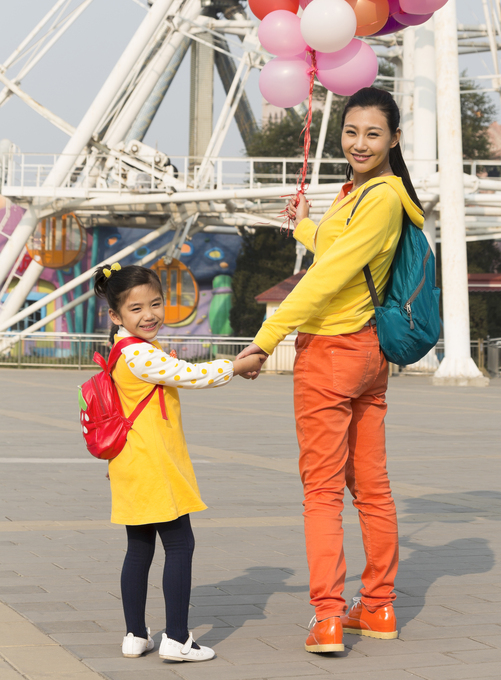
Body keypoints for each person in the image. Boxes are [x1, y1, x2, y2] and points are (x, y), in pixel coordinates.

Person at [235, 86, 425, 654]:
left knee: (322, 491)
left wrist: (266, 340)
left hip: (332, 353)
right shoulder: (368, 195)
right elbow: (341, 248)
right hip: (367, 356)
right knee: (372, 488)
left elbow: (326, 276)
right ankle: (380, 606)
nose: (359, 143)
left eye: (373, 133)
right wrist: (303, 226)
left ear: (395, 138)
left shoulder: (382, 197)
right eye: (351, 131)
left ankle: (327, 616)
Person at [93, 263, 265, 663]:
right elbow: (188, 374)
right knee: (180, 544)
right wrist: (236, 367)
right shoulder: (137, 353)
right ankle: (176, 639)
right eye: (136, 309)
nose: (149, 314)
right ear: (116, 316)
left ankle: (136, 635)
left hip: (131, 463)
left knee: (138, 548)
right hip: (153, 465)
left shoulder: (124, 350)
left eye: (155, 303)